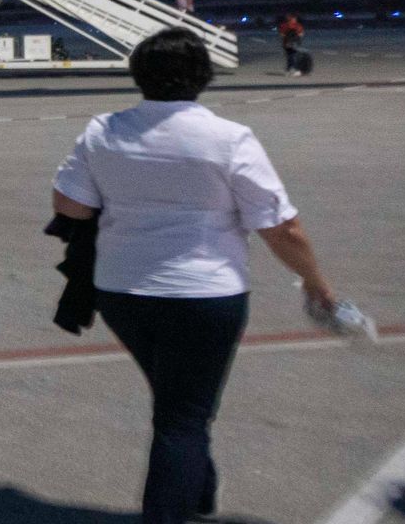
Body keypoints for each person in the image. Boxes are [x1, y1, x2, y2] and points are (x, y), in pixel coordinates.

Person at [50, 28, 343, 524]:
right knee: (182, 418)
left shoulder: (103, 130)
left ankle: (199, 494)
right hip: (203, 296)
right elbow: (281, 226)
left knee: (180, 406)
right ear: (203, 77)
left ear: (138, 75)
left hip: (122, 292)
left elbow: (70, 205)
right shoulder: (228, 139)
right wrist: (316, 283)